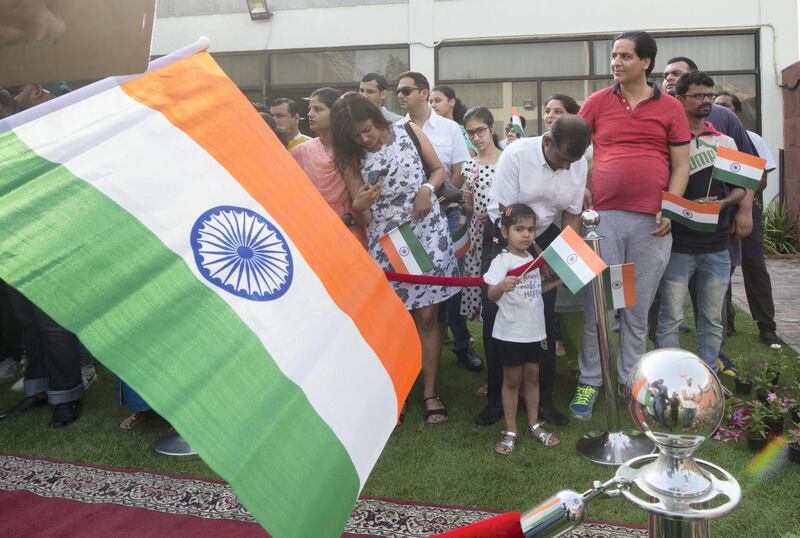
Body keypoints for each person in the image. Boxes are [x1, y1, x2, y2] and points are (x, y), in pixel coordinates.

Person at [572, 31, 690, 420]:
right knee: (599, 307)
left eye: (625, 56)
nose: (616, 62)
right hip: (603, 220)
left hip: (651, 225)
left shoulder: (670, 107)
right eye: (614, 55)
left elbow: (681, 165)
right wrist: (581, 190)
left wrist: (670, 207)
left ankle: (630, 382)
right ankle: (590, 381)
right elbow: (572, 148)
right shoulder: (597, 102)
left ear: (646, 63)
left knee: (635, 310)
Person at [330, 92, 459, 424]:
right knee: (394, 323)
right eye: (356, 135)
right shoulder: (350, 156)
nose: (365, 138)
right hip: (388, 242)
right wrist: (359, 204)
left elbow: (438, 171)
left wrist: (426, 191)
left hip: (427, 231)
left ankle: (430, 392)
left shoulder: (408, 130)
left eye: (367, 129)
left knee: (429, 318)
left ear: (376, 116)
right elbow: (364, 217)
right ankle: (397, 392)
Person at [479, 115, 592, 428]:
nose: (569, 167)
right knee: (496, 313)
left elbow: (571, 217)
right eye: (562, 159)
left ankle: (543, 400)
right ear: (547, 142)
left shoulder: (577, 163)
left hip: (544, 232)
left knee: (543, 313)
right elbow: (507, 215)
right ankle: (495, 399)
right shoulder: (517, 155)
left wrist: (561, 261)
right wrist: (535, 259)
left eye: (574, 161)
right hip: (504, 230)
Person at [655, 71, 745, 373]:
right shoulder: (668, 141)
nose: (706, 101)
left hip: (717, 245)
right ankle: (669, 376)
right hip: (677, 245)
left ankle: (708, 376)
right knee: (671, 318)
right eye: (699, 95)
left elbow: (740, 188)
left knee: (712, 318)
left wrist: (722, 203)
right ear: (680, 99)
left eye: (710, 95)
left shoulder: (725, 141)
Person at [396, 71, 480, 371]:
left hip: (447, 211)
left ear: (423, 92)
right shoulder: (395, 129)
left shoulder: (449, 128)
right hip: (409, 219)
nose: (401, 96)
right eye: (398, 91)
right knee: (411, 284)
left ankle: (461, 343)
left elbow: (458, 169)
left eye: (407, 90)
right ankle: (410, 354)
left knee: (451, 284)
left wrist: (438, 200)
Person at [484, 204, 561, 454]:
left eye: (530, 229)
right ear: (506, 233)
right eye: (519, 229)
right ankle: (510, 430)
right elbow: (492, 295)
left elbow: (534, 291)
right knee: (511, 381)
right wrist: (501, 286)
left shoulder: (533, 260)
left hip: (535, 332)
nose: (526, 235)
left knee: (532, 379)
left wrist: (556, 283)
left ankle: (534, 424)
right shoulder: (501, 261)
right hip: (511, 333)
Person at [714, 90, 781, 348]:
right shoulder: (711, 138)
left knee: (755, 267)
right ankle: (727, 322)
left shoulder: (751, 139)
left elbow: (760, 177)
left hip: (746, 208)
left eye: (725, 107)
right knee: (722, 268)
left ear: (737, 113)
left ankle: (767, 327)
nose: (719, 110)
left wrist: (744, 203)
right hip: (721, 211)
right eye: (716, 105)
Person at [292, 87, 366, 247]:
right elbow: (293, 196)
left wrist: (348, 217)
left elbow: (364, 198)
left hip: (348, 232)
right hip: (312, 232)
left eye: (318, 109)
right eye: (310, 109)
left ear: (337, 113)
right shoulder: (301, 152)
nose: (310, 114)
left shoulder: (355, 151)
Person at [460, 107, 503, 322]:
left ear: (492, 128)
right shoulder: (468, 166)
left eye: (480, 131)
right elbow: (470, 209)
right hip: (477, 236)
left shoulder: (507, 160)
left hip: (503, 233)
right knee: (482, 287)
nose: (476, 138)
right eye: (470, 133)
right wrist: (468, 204)